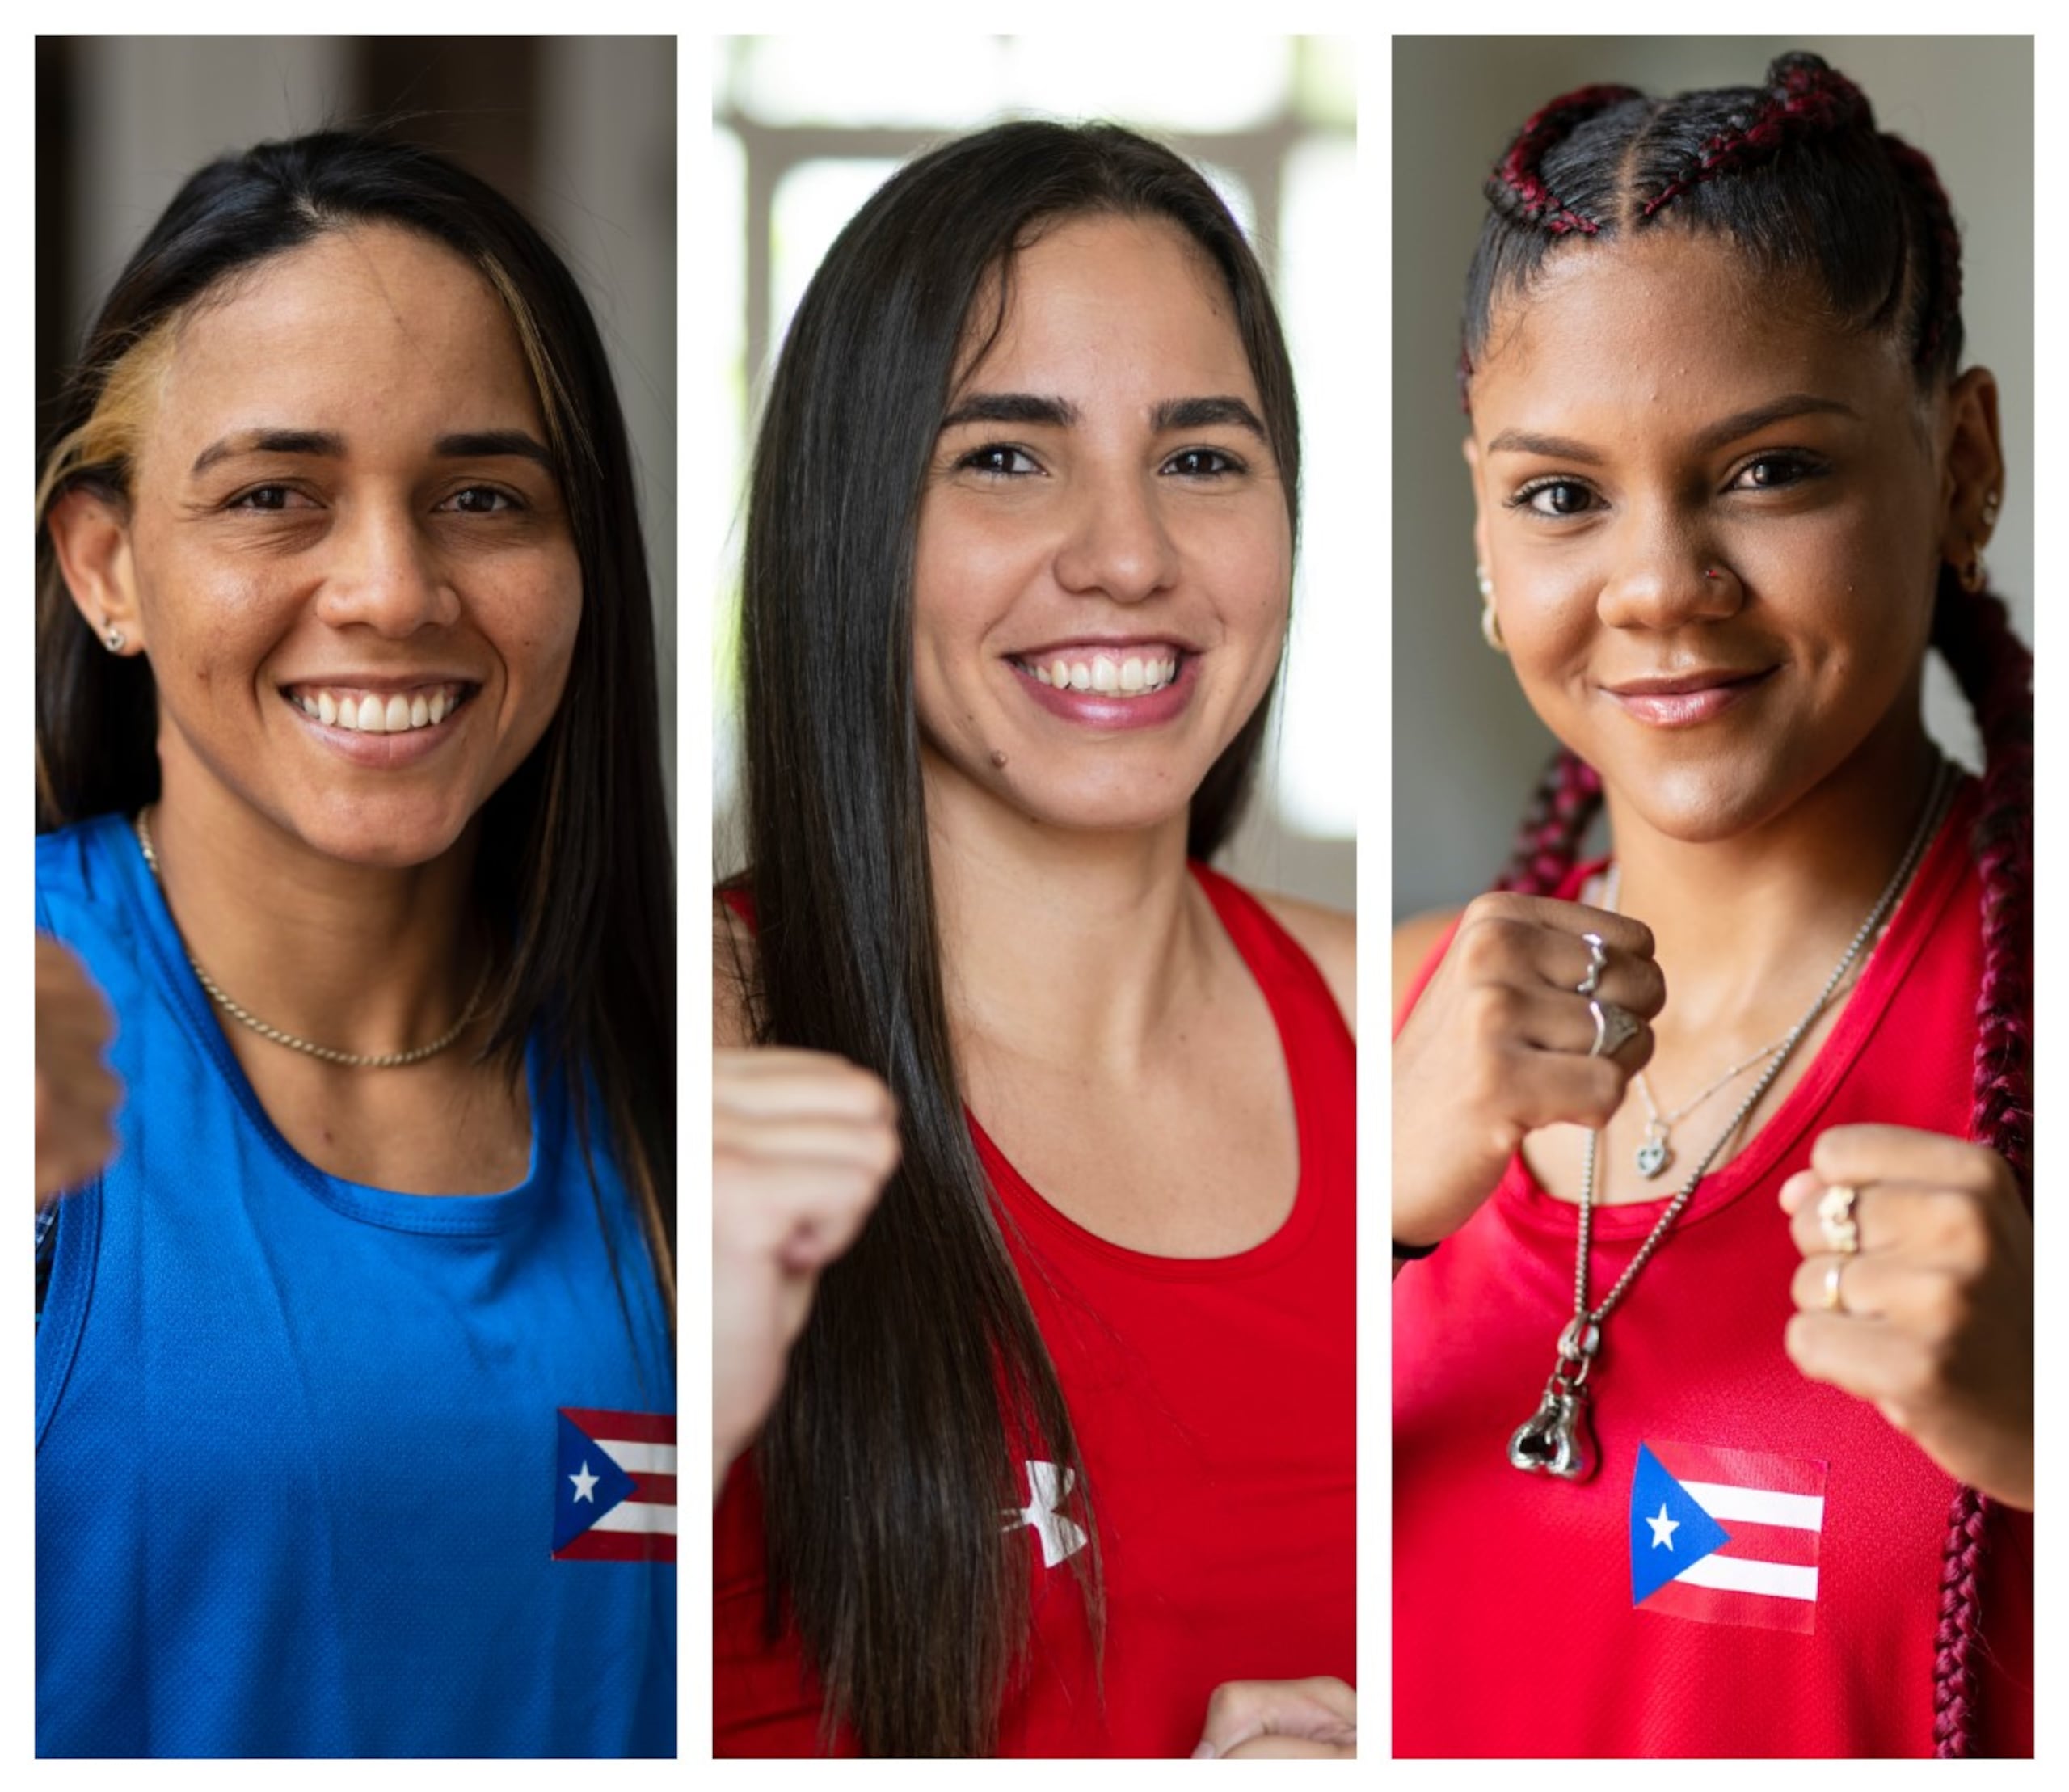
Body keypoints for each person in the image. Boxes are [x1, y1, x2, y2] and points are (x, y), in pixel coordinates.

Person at [1390, 53, 2032, 1758]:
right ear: (1479, 521)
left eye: (1765, 471)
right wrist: (1356, 1234)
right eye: (1558, 495)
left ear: (1957, 462)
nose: (1658, 580)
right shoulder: (1373, 1032)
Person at [712, 120, 1356, 1758]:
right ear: (848, 518)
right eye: (1005, 454)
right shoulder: (661, 1048)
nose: (1126, 553)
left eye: (1202, 456)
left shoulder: (1399, 1021)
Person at [32, 129, 676, 1757]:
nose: (392, 588)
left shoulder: (691, 1063)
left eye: (480, 496)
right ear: (107, 561)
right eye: (272, 497)